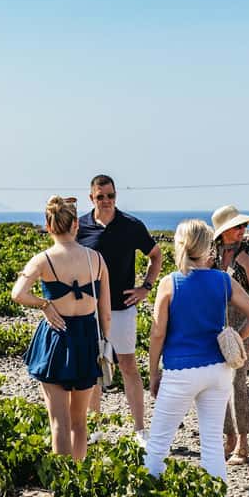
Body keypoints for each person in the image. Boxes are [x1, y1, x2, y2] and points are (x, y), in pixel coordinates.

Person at [144, 219, 249, 481]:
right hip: (217, 369)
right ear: (208, 246)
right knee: (211, 445)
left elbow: (157, 333)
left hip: (180, 370)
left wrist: (153, 372)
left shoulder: (170, 283)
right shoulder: (222, 280)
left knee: (159, 444)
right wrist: (235, 338)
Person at [13, 196, 111, 460]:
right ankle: (77, 480)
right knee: (80, 422)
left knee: (59, 422)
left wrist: (45, 304)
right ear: (76, 224)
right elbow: (106, 314)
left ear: (48, 225)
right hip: (87, 338)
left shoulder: (42, 260)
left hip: (56, 338)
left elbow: (18, 294)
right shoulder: (97, 260)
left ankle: (62, 488)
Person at [75, 175, 162, 446]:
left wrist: (146, 287)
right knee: (92, 369)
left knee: (128, 365)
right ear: (92, 198)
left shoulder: (131, 226)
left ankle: (139, 430)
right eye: (100, 196)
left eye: (110, 195)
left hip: (122, 308)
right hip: (89, 309)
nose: (106, 201)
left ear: (116, 196)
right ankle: (95, 428)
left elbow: (156, 256)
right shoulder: (80, 227)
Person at [211, 204, 249, 465]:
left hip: (243, 319)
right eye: (237, 227)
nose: (242, 230)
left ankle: (243, 441)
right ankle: (229, 437)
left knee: (238, 379)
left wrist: (246, 267)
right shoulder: (211, 253)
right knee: (218, 380)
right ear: (223, 231)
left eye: (243, 226)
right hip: (214, 321)